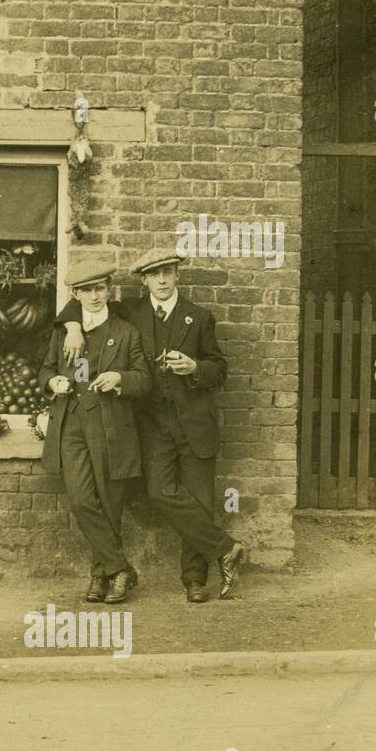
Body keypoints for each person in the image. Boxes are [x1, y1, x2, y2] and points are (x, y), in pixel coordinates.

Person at [57, 250, 249, 602]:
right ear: (143, 280)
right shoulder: (129, 312)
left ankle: (194, 580)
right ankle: (226, 548)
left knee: (200, 501)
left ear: (178, 276)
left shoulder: (198, 316)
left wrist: (194, 367)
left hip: (195, 424)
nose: (162, 280)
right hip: (154, 425)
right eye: (154, 274)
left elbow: (219, 369)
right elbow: (83, 302)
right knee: (159, 492)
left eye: (168, 272)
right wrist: (71, 327)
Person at [38, 260, 152, 604]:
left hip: (110, 427)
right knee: (81, 499)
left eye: (100, 288)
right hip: (72, 423)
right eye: (87, 290)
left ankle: (101, 577)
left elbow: (144, 379)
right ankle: (121, 568)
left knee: (109, 501)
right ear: (76, 295)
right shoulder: (64, 332)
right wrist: (53, 381)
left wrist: (120, 379)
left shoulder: (127, 332)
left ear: (109, 290)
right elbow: (45, 370)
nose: (95, 295)